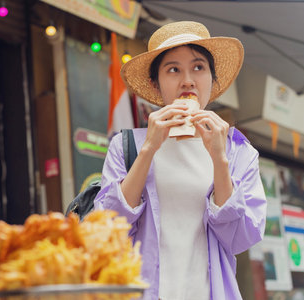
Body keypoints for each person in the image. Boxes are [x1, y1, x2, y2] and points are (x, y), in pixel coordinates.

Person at [94, 21, 267, 300]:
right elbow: (106, 228)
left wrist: (219, 159)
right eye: (173, 69)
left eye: (198, 67)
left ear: (213, 78)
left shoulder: (238, 151)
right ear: (156, 83)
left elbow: (241, 237)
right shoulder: (126, 145)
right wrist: (149, 148)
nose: (187, 80)